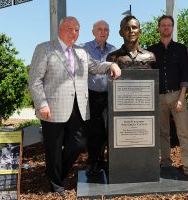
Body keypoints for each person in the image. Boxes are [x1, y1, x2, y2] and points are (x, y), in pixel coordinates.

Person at [28, 16, 121, 195]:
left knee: (79, 143)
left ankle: (55, 173)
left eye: (77, 29)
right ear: (60, 29)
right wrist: (41, 104)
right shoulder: (44, 48)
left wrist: (111, 64)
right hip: (52, 109)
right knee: (53, 148)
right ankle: (56, 184)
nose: (74, 33)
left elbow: (95, 67)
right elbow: (35, 80)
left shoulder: (81, 52)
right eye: (70, 28)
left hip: (78, 107)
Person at [148, 15, 188, 176]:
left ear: (172, 28)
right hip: (158, 98)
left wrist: (181, 98)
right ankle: (166, 164)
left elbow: (185, 75)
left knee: (183, 133)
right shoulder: (151, 50)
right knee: (163, 133)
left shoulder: (181, 49)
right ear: (159, 28)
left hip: (177, 96)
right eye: (163, 25)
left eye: (169, 25)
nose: (166, 27)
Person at [83, 20, 116, 176]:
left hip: (109, 95)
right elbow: (93, 67)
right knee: (95, 131)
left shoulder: (114, 50)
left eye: (106, 30)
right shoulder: (85, 49)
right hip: (92, 95)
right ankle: (93, 162)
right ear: (93, 32)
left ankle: (103, 161)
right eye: (100, 29)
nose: (103, 32)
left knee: (109, 130)